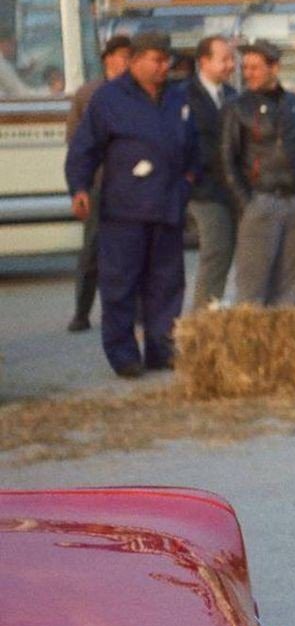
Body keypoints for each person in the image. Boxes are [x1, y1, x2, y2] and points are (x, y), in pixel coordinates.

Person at [65, 30, 197, 377]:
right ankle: (123, 354)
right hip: (124, 211)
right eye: (156, 59)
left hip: (168, 207)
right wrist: (79, 188)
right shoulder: (109, 99)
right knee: (120, 285)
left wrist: (189, 181)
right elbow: (84, 149)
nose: (163, 66)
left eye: (166, 60)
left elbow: (194, 149)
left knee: (166, 284)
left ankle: (161, 348)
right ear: (135, 60)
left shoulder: (177, 98)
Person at [221, 40, 295, 306]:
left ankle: (284, 341)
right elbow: (227, 158)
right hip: (261, 199)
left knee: (292, 283)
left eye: (255, 67)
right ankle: (251, 342)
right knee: (253, 284)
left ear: (274, 68)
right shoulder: (237, 107)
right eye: (245, 67)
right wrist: (246, 201)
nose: (248, 73)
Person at [64, 34, 132, 332]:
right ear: (109, 59)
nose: (129, 62)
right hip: (99, 183)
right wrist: (83, 182)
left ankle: (135, 312)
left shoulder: (137, 93)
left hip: (130, 185)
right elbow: (76, 140)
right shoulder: (88, 93)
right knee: (91, 250)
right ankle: (81, 311)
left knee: (132, 251)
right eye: (124, 56)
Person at [185, 35, 238, 310]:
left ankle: (210, 309)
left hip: (229, 189)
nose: (231, 65)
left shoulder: (232, 96)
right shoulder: (184, 96)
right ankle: (200, 318)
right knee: (216, 248)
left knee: (225, 251)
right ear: (203, 62)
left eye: (232, 59)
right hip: (201, 190)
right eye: (224, 59)